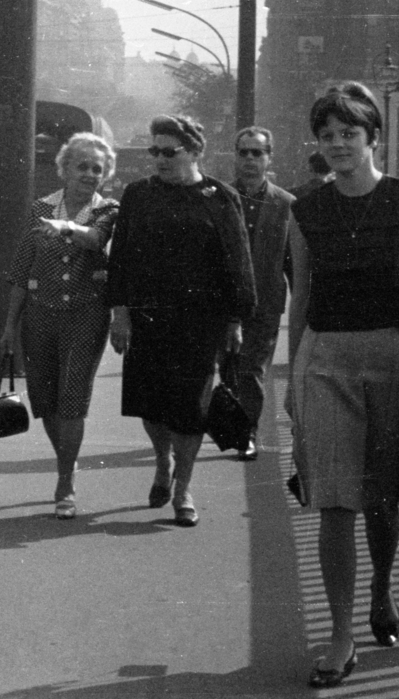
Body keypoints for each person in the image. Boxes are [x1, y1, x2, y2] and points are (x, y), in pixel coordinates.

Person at [286, 81, 399, 688]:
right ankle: (340, 636)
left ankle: (382, 591)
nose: (336, 145)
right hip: (327, 360)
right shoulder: (304, 211)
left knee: (383, 498)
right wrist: (292, 377)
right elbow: (300, 299)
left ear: (371, 138)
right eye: (327, 136)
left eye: (348, 135)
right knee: (334, 501)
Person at [105, 115, 257, 527]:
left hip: (200, 321)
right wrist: (119, 312)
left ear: (193, 152)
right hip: (148, 316)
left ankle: (184, 488)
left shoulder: (221, 197)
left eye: (168, 152)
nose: (159, 159)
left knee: (191, 407)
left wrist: (235, 320)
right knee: (150, 405)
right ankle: (162, 462)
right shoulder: (138, 195)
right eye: (154, 151)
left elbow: (238, 263)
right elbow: (121, 258)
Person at [0, 132, 120, 520]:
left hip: (86, 317)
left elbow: (96, 240)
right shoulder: (39, 209)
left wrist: (66, 228)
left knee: (72, 398)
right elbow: (21, 270)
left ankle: (65, 480)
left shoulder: (109, 211)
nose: (88, 174)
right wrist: (8, 327)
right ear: (65, 169)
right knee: (46, 401)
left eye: (96, 169)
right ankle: (66, 461)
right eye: (81, 166)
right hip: (39, 317)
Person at [229, 125, 295, 462]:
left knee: (251, 367)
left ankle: (246, 433)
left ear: (269, 157)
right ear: (235, 156)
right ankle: (231, 426)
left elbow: (294, 261)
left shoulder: (286, 204)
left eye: (258, 152)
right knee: (228, 367)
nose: (250, 159)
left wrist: (305, 305)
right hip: (225, 304)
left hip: (265, 303)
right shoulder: (220, 197)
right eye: (244, 152)